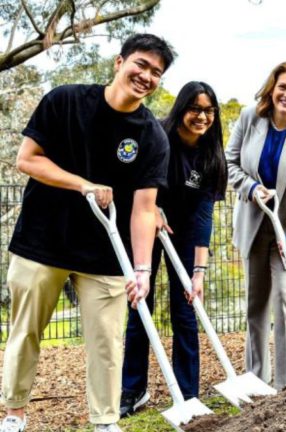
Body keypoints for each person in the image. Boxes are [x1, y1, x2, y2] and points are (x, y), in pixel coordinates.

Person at [1, 34, 174, 432]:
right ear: (119, 62)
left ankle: (105, 421)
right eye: (141, 65)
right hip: (43, 242)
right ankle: (14, 412)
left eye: (156, 73)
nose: (146, 76)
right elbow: (27, 160)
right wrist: (83, 184)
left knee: (108, 343)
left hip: (105, 254)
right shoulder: (65, 100)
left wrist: (142, 270)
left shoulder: (152, 136)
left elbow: (144, 208)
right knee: (25, 331)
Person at [119, 81, 227, 417]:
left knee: (185, 308)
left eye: (209, 110)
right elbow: (135, 184)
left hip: (181, 232)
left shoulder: (210, 156)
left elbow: (202, 217)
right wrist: (153, 209)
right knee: (140, 305)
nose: (202, 116)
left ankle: (188, 394)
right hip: (144, 225)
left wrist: (199, 272)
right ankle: (132, 390)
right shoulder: (158, 137)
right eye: (195, 108)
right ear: (182, 108)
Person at [226, 62, 286, 390]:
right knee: (256, 303)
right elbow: (229, 164)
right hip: (254, 224)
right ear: (272, 88)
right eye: (283, 87)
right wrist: (251, 189)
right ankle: (256, 379)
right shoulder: (248, 117)